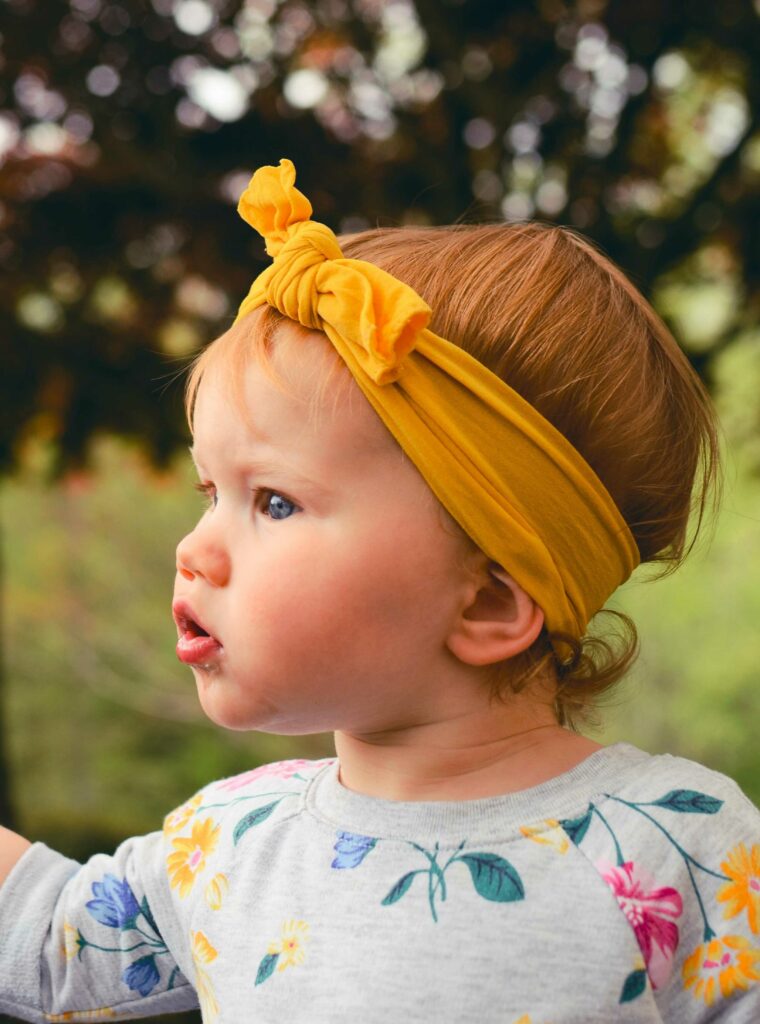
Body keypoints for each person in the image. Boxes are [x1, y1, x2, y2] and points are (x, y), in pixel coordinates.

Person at [0, 158, 757, 1023]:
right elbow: (44, 940)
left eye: (274, 501)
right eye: (211, 494)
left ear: (487, 604)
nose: (194, 549)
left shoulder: (683, 847)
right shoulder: (231, 841)